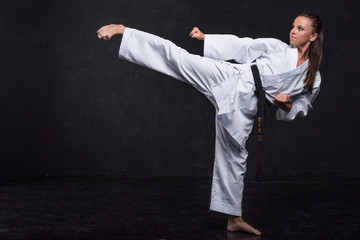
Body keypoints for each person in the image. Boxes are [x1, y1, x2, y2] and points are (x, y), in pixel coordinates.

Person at [97, 12, 323, 236]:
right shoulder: (278, 48)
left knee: (235, 158)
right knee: (180, 58)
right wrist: (207, 38)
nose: (293, 31)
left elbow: (301, 106)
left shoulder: (312, 77)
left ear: (313, 36)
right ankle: (124, 31)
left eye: (300, 28)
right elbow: (243, 46)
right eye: (293, 26)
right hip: (232, 77)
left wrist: (285, 106)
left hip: (247, 107)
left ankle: (234, 219)